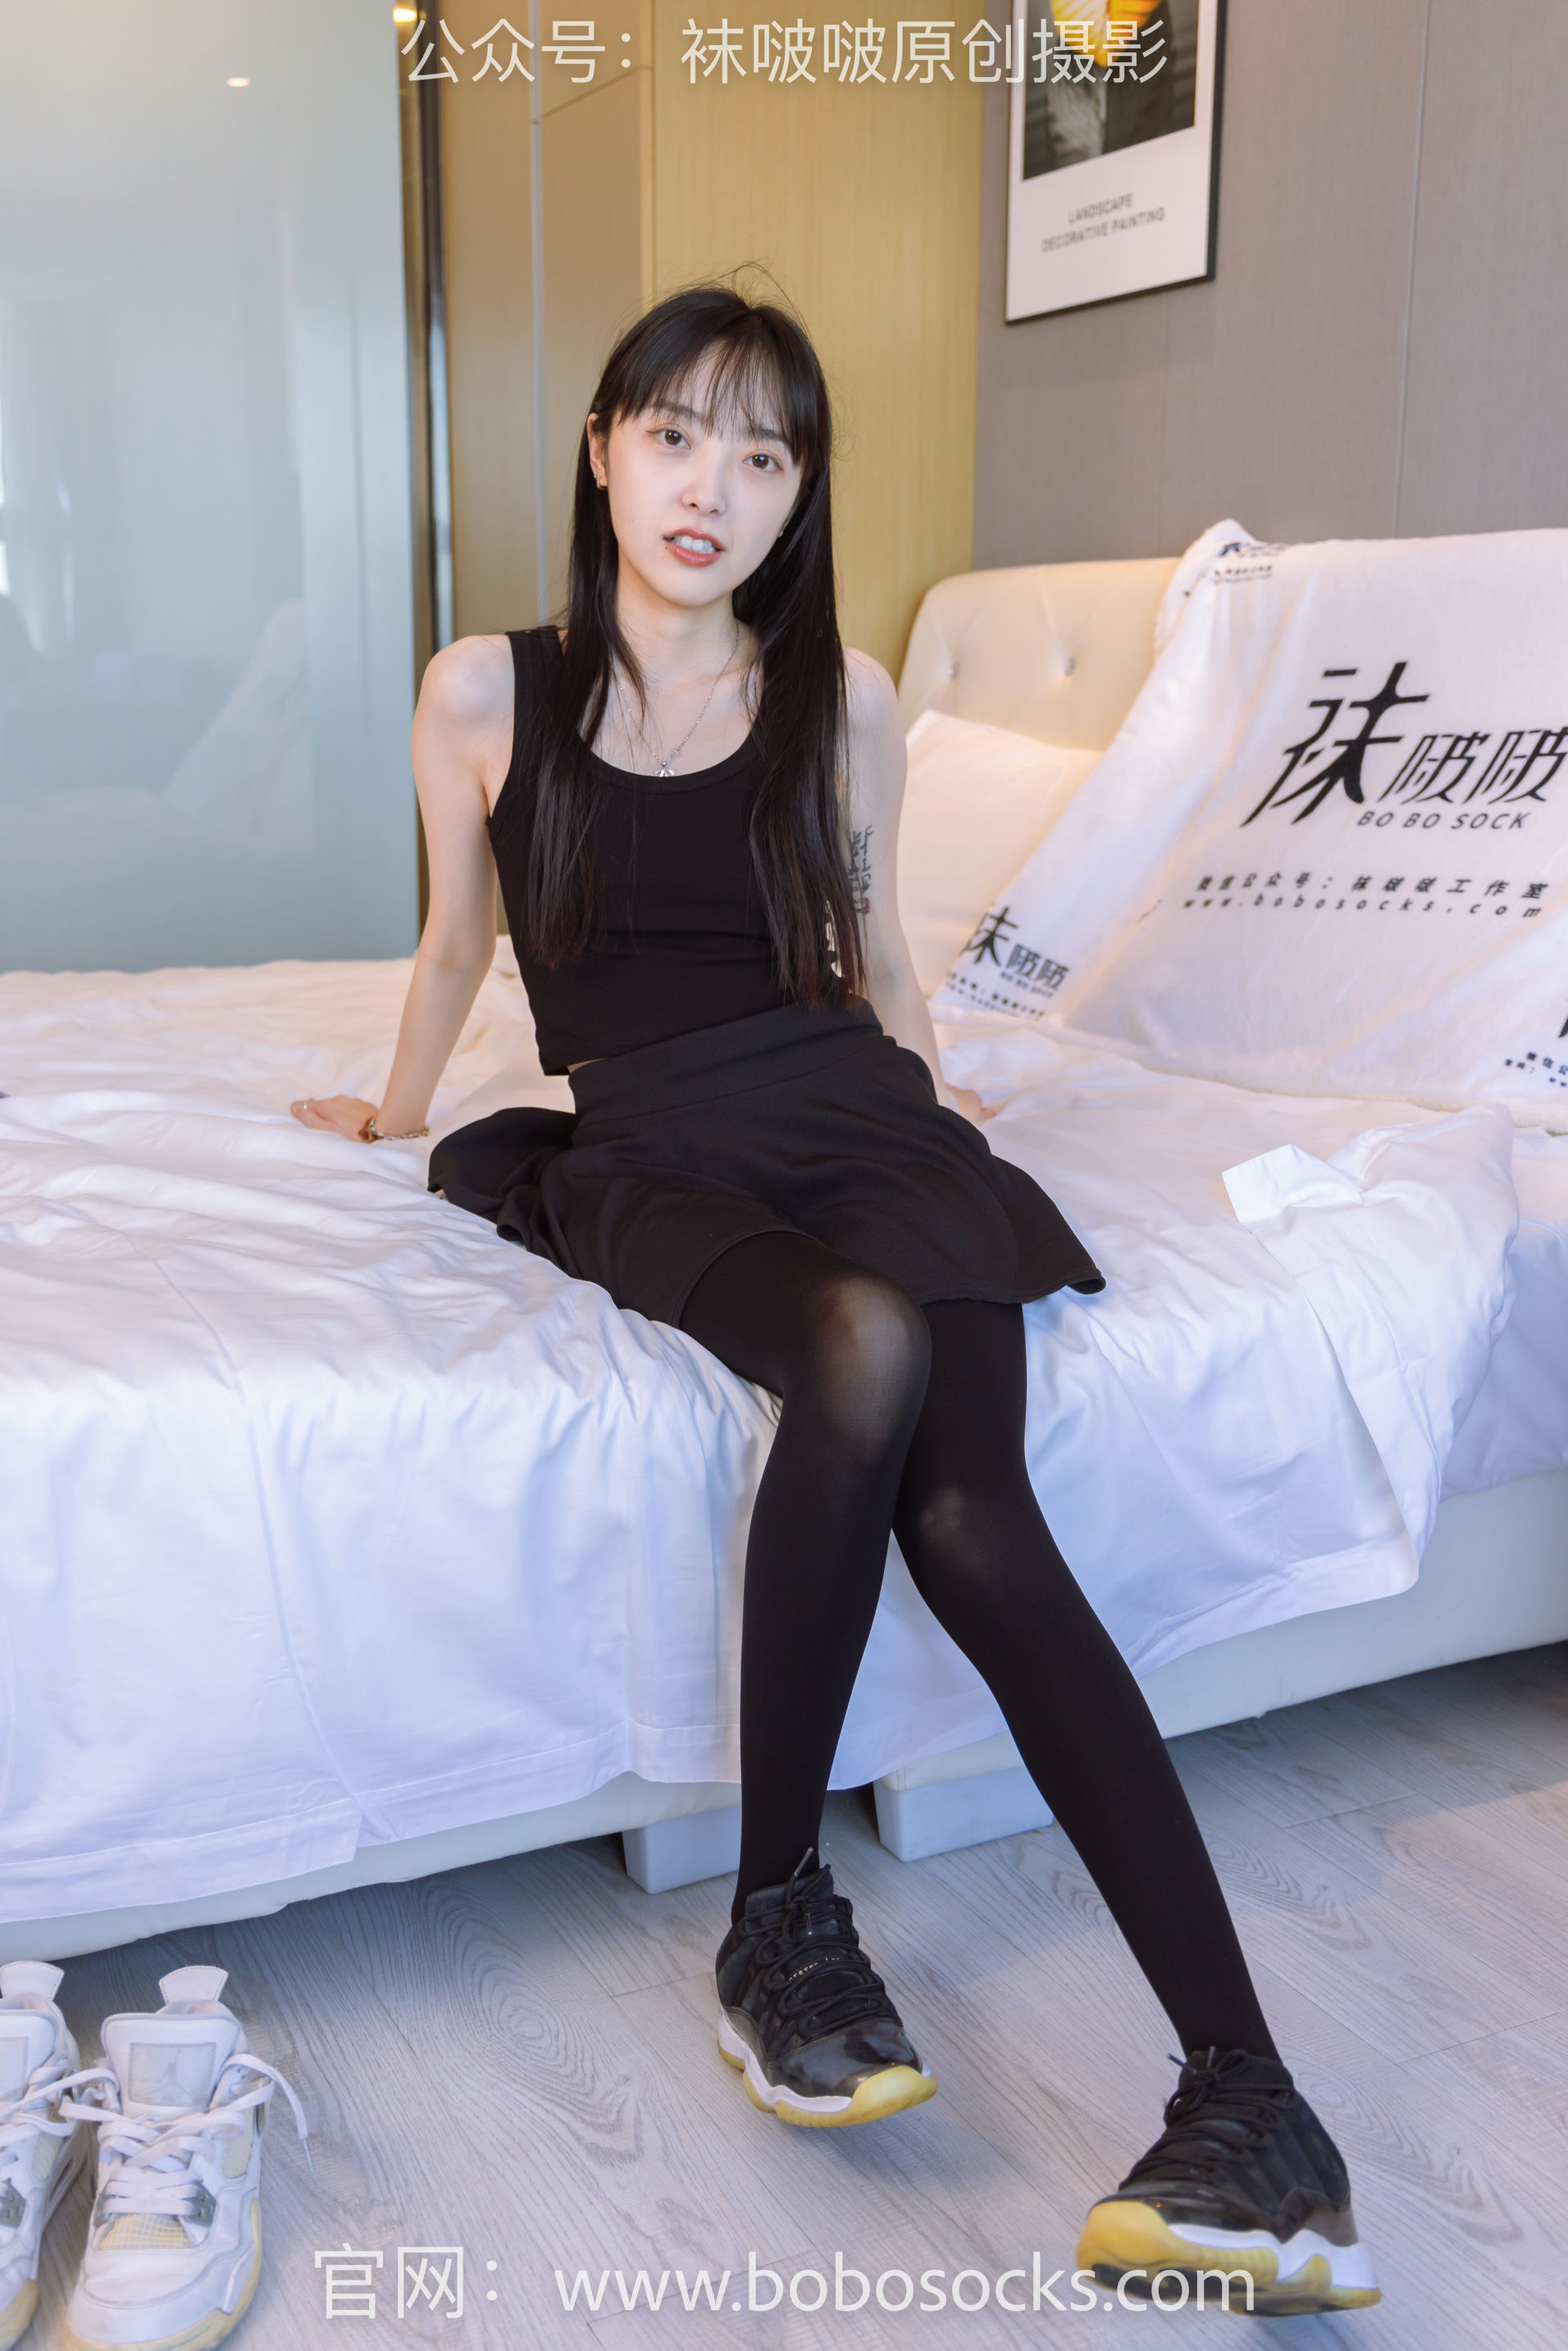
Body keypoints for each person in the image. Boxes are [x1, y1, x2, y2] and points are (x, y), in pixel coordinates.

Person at [290, 285, 1379, 2315]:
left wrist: (938, 1109)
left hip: (855, 1114)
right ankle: (778, 1911)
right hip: (650, 1138)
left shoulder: (845, 697)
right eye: (675, 435)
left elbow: (874, 953)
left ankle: (1251, 2103)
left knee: (976, 1512)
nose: (711, 486)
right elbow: (455, 944)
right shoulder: (482, 692)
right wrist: (399, 1107)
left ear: (799, 495)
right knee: (854, 1348)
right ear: (601, 447)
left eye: (764, 453)